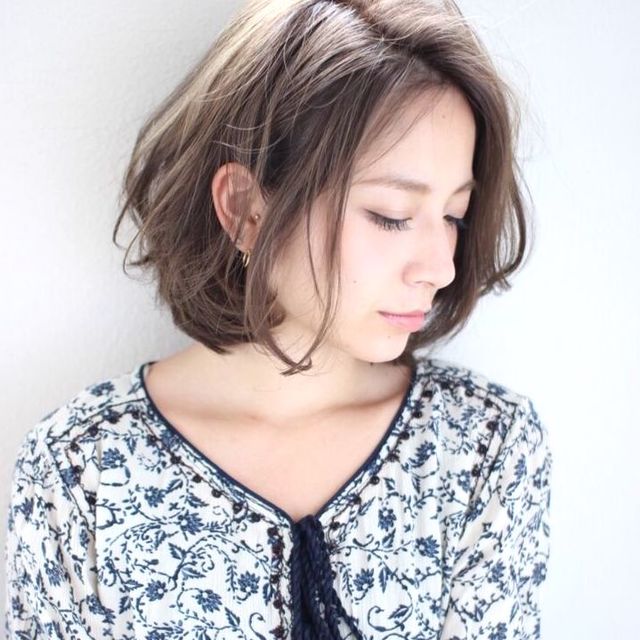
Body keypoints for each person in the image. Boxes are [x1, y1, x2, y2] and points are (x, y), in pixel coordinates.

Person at [4, 0, 553, 638]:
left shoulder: (483, 448)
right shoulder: (81, 471)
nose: (441, 267)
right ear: (246, 210)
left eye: (454, 215)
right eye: (392, 215)